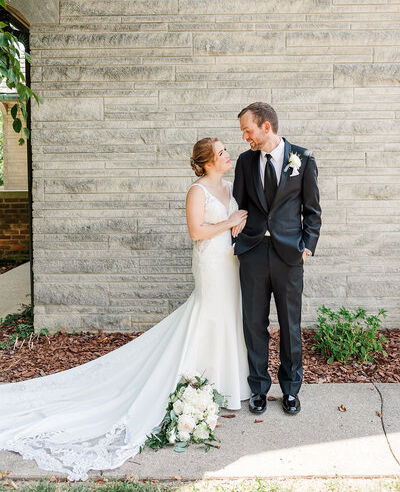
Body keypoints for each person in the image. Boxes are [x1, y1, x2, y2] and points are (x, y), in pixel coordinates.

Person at [0, 137, 250, 482]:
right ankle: (193, 382)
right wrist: (229, 221)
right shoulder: (197, 191)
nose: (228, 155)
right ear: (207, 162)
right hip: (209, 264)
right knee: (207, 316)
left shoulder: (229, 186)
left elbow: (236, 217)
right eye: (222, 152)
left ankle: (224, 385)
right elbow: (196, 232)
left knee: (227, 318)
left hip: (230, 263)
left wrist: (239, 223)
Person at [233, 102, 322, 416]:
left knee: (290, 324)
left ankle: (291, 390)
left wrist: (306, 246)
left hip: (289, 255)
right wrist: (236, 239)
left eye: (248, 130)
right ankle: (258, 387)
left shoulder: (303, 158)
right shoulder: (245, 162)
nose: (245, 137)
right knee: (254, 323)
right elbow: (239, 205)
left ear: (265, 127)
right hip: (254, 253)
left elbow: (312, 211)